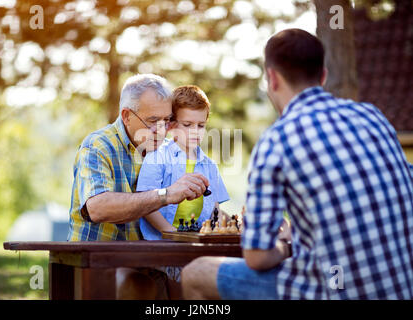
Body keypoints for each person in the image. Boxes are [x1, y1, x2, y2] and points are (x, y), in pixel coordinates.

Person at [181, 28, 413, 300]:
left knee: (196, 273)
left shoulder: (276, 141)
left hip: (332, 290)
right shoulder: (373, 117)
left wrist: (284, 244)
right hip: (401, 286)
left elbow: (257, 257)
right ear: (323, 76)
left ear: (272, 78)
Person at [67, 74, 210, 299]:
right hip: (98, 263)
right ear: (126, 116)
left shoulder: (165, 151)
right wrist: (166, 194)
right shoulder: (98, 147)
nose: (161, 130)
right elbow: (98, 208)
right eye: (152, 121)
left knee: (206, 284)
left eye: (166, 120)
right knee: (137, 286)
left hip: (150, 262)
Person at [135, 85, 230, 295]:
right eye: (187, 125)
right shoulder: (158, 156)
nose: (195, 132)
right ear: (170, 125)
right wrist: (171, 233)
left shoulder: (209, 165)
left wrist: (234, 223)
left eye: (201, 125)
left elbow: (215, 209)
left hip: (196, 246)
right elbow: (145, 202)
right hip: (164, 248)